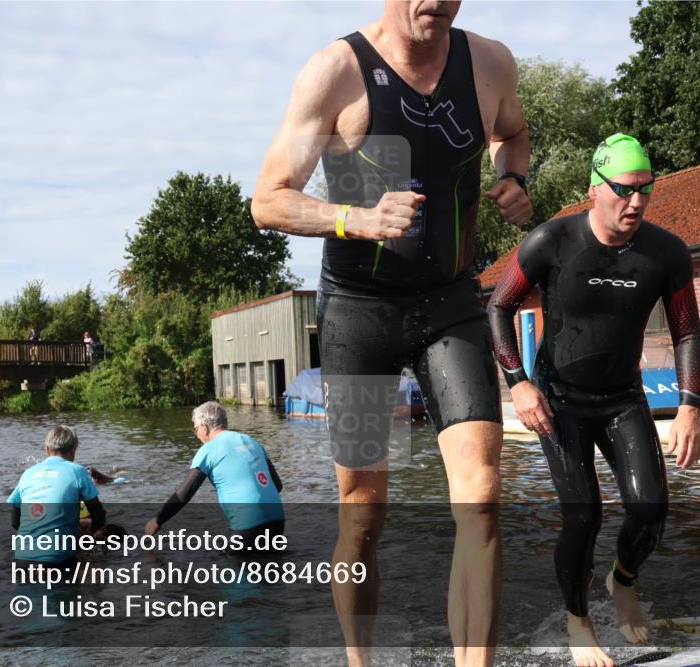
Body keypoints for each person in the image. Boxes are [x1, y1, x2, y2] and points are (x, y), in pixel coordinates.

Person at [250, 2, 532, 664]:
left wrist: (513, 177)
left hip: (452, 303)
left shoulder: (489, 62)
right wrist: (354, 217)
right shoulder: (334, 72)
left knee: (483, 495)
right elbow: (268, 197)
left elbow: (513, 135)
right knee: (363, 512)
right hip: (359, 309)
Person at [487, 133, 700, 667]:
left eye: (646, 191)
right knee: (582, 515)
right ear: (594, 189)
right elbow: (498, 308)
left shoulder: (666, 252)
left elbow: (687, 332)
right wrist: (518, 381)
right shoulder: (550, 242)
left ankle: (622, 580)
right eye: (624, 189)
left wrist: (688, 406)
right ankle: (578, 623)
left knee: (650, 508)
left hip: (622, 398)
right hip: (559, 400)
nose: (636, 202)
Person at [145, 402, 284, 545]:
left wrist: (158, 520)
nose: (196, 434)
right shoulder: (252, 441)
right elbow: (277, 486)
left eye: (195, 429)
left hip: (248, 524)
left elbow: (184, 494)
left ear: (204, 428)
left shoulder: (209, 449)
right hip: (278, 522)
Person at [7, 425, 106, 574]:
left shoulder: (28, 473)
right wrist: (86, 534)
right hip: (56, 560)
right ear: (74, 448)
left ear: (47, 449)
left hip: (22, 560)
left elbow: (16, 523)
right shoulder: (78, 471)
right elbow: (99, 517)